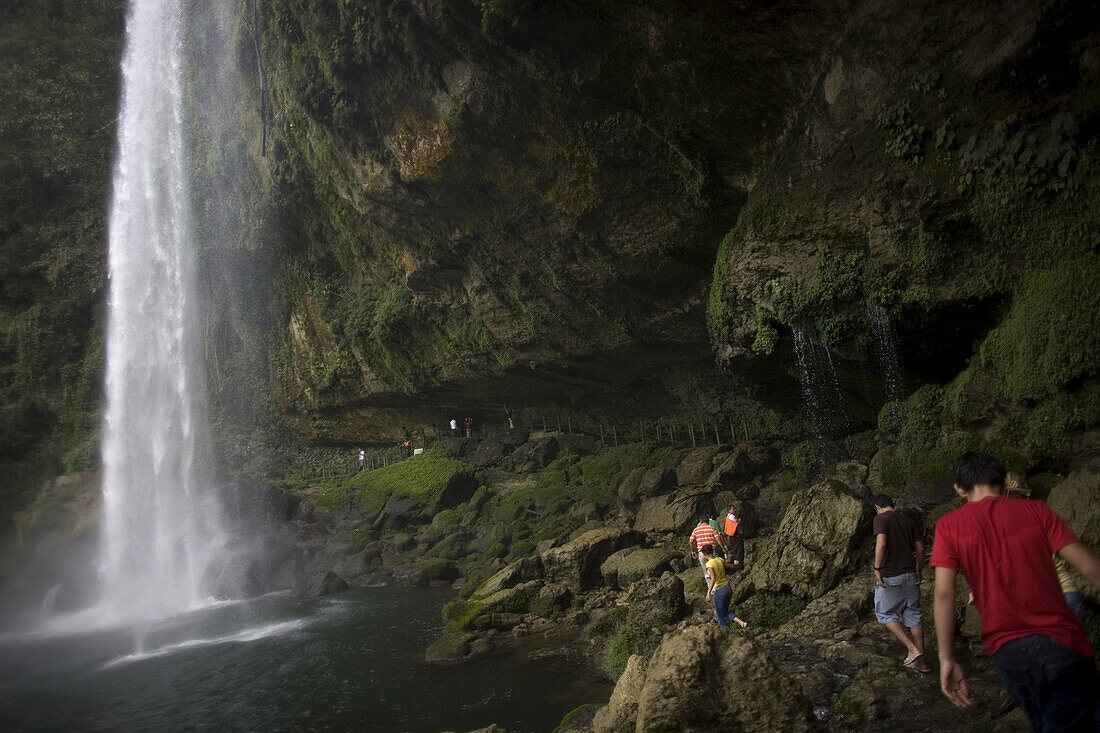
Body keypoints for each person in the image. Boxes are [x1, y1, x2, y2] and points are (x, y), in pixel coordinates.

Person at [932, 451, 1100, 731]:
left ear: (959, 489)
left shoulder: (948, 527)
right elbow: (1090, 567)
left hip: (1007, 653)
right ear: (1006, 480)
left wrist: (946, 657)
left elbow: (943, 594)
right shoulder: (1037, 510)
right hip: (1060, 640)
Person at [871, 494, 928, 672]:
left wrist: (877, 568)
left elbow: (881, 544)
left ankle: (912, 650)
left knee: (886, 615)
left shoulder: (881, 519)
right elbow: (920, 548)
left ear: (878, 507)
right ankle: (922, 663)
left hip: (891, 575)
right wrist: (919, 570)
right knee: (914, 617)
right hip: (910, 574)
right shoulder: (908, 521)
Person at [702, 544, 748, 629]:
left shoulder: (709, 564)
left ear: (704, 554)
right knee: (725, 612)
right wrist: (735, 563)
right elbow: (731, 566)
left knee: (720, 617)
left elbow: (713, 578)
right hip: (727, 588)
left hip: (719, 590)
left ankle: (726, 634)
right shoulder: (719, 559)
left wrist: (708, 593)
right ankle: (742, 623)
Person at [689, 516, 728, 582]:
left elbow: (691, 541)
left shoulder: (696, 530)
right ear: (708, 521)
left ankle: (710, 589)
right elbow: (718, 539)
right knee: (716, 569)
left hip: (701, 552)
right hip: (712, 552)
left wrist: (693, 551)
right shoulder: (712, 528)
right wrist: (723, 548)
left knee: (706, 573)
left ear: (700, 522)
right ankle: (717, 585)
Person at [723, 502, 745, 566]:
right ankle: (738, 563)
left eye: (735, 508)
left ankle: (736, 561)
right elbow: (736, 524)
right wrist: (739, 521)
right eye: (733, 509)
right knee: (739, 549)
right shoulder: (731, 517)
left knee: (735, 549)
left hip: (731, 536)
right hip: (735, 535)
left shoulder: (728, 517)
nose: (735, 510)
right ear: (729, 510)